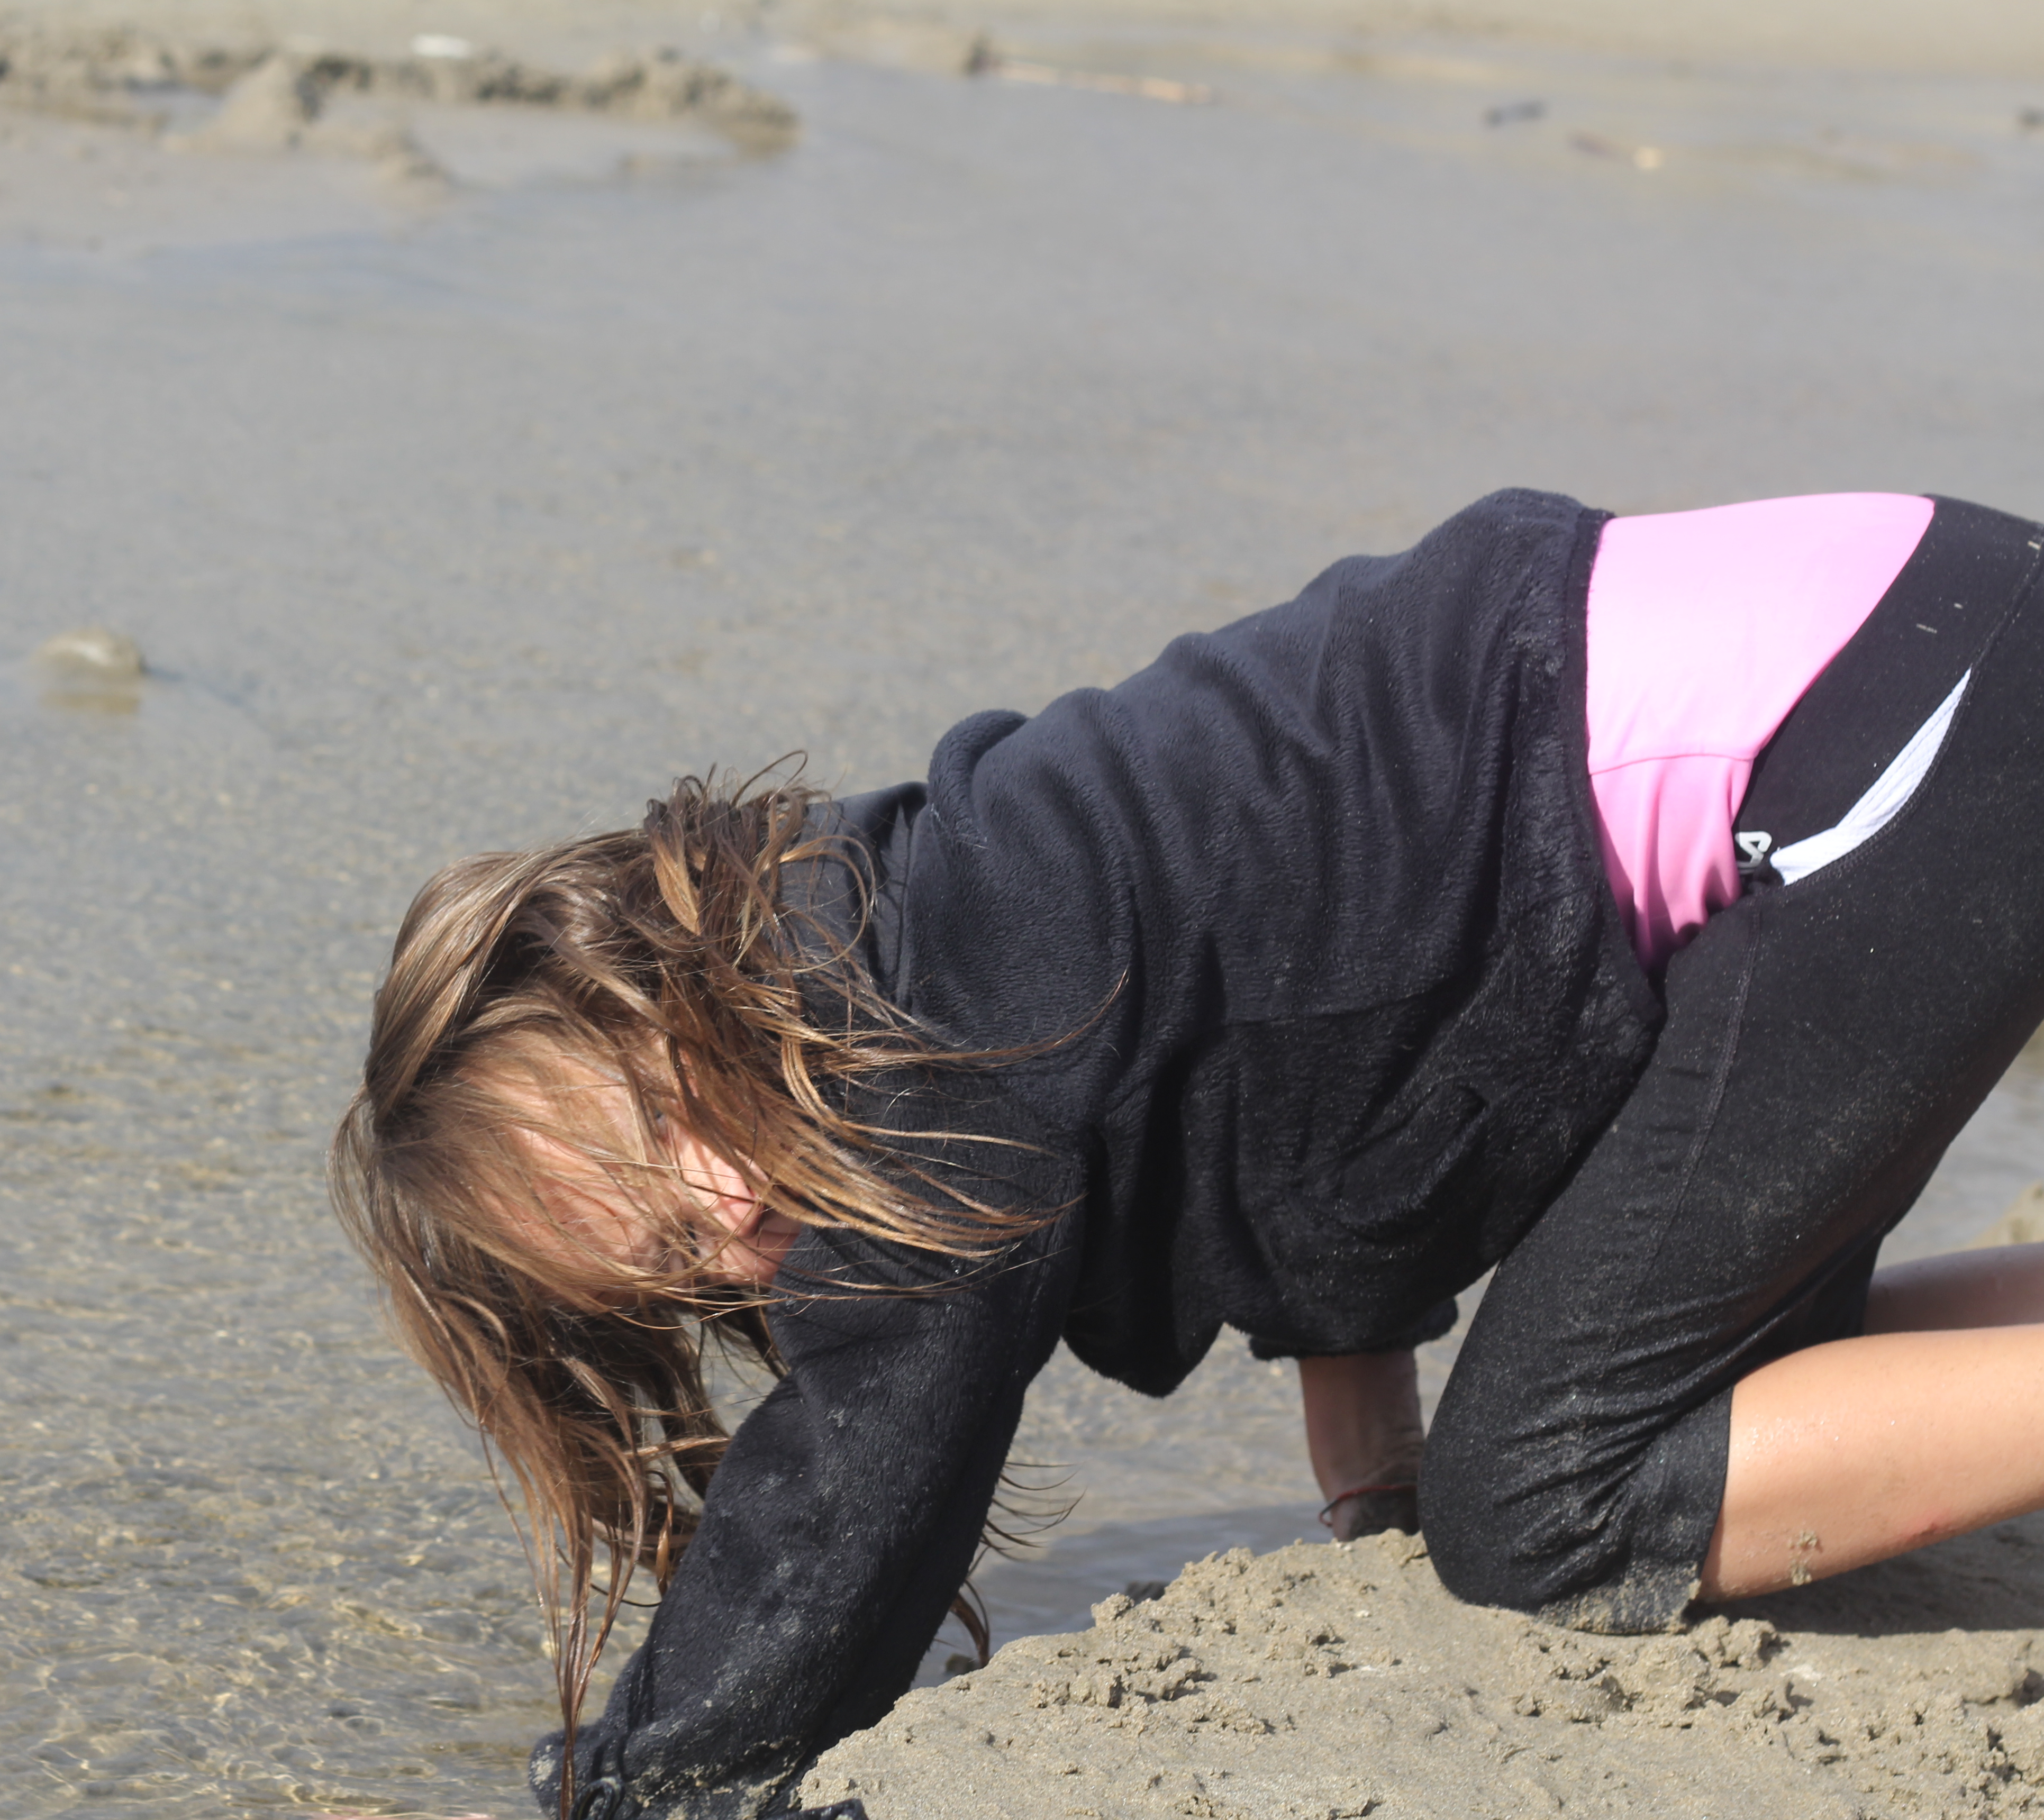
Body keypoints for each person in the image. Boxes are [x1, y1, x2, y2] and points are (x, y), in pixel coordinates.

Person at [330, 487, 2044, 1820]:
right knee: (1694, 1411)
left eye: (660, 1136)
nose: (721, 1211)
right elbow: (1332, 1087)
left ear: (652, 976)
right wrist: (1374, 1480)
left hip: (1890, 717)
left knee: (1550, 1511)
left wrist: (657, 1779)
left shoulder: (902, 1027)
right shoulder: (951, 901)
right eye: (666, 1259)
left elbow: (851, 1484)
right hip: (1906, 656)